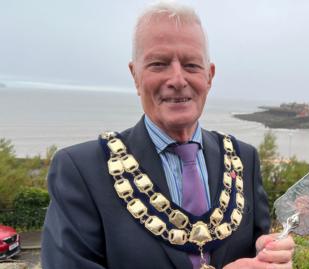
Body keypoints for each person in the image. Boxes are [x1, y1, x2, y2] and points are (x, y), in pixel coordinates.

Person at [41, 2, 295, 269]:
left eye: (191, 65)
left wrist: (268, 255)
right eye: (159, 64)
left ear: (209, 76)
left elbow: (257, 252)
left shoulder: (244, 158)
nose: (177, 79)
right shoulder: (82, 170)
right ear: (135, 75)